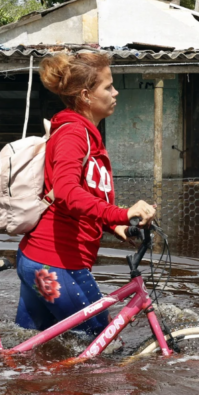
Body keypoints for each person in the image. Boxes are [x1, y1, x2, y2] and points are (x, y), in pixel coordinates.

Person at [15, 52, 156, 335]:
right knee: (101, 344)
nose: (115, 92)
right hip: (57, 263)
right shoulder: (73, 134)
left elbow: (84, 200)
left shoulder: (87, 134)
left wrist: (116, 226)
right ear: (85, 95)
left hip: (41, 261)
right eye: (108, 87)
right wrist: (123, 212)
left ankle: (7, 379)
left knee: (28, 353)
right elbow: (67, 192)